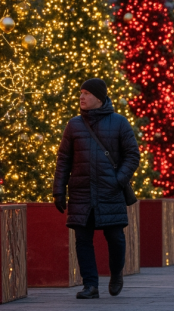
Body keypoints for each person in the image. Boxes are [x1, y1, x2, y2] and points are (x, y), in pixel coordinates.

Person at [53, 79, 140, 299]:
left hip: (110, 192)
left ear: (99, 98)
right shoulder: (74, 124)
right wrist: (59, 190)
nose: (81, 97)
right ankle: (90, 285)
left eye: (87, 93)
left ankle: (116, 273)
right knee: (82, 239)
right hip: (81, 192)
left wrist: (117, 180)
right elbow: (64, 159)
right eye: (80, 92)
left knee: (116, 237)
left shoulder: (119, 122)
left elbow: (132, 155)